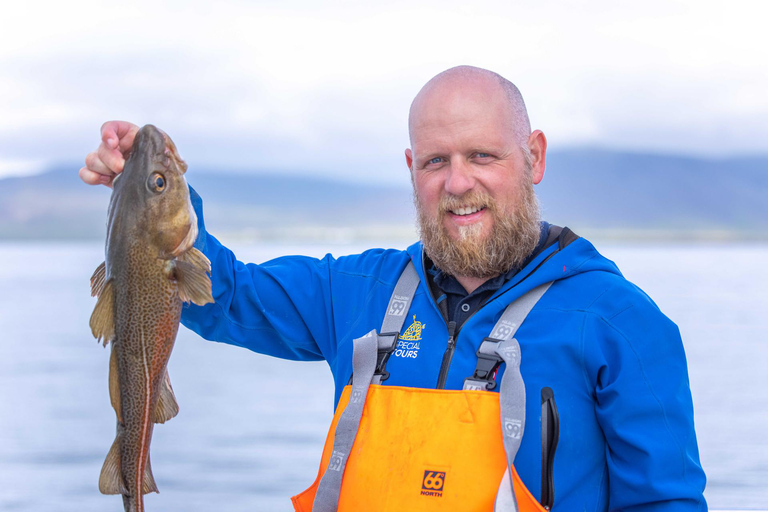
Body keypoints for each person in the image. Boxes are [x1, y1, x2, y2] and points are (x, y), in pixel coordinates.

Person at [80, 66, 707, 511]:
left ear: (534, 157)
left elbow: (666, 503)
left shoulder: (621, 324)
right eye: (436, 161)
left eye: (482, 155)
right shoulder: (356, 291)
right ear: (412, 170)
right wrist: (147, 209)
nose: (458, 183)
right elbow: (228, 295)